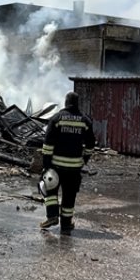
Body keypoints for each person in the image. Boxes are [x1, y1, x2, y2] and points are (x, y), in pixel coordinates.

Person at [39, 91, 97, 235]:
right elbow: (91, 144)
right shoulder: (85, 121)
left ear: (65, 102)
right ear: (77, 103)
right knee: (69, 196)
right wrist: (84, 159)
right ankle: (66, 225)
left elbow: (48, 144)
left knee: (49, 189)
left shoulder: (57, 118)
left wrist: (46, 165)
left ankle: (52, 216)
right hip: (74, 168)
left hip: (56, 166)